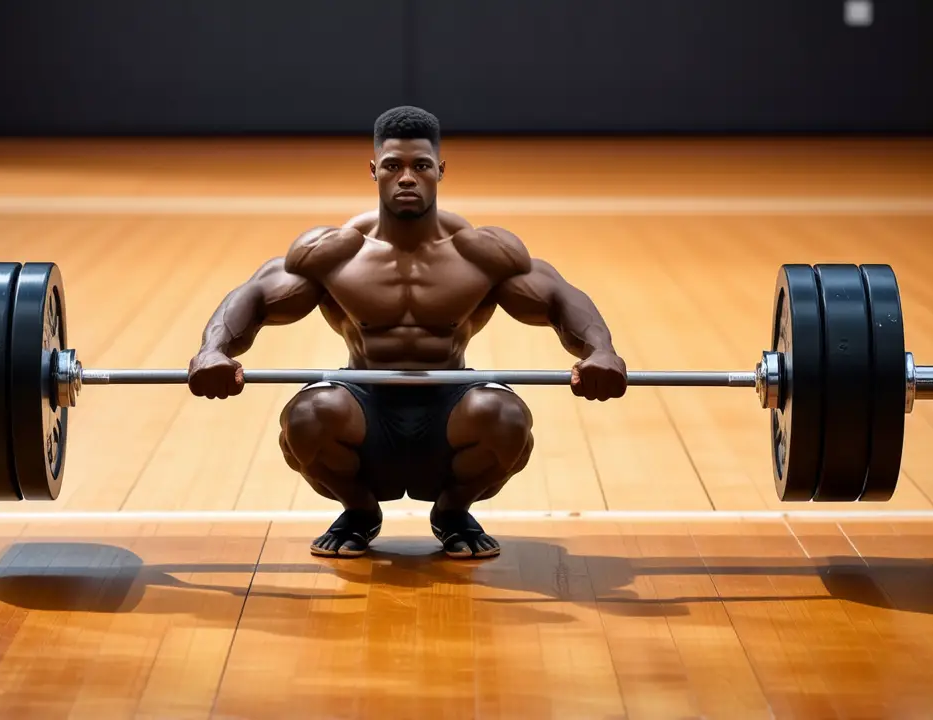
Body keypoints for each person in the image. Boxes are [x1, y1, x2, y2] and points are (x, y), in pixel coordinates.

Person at [188, 106, 627, 559]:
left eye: (420, 166)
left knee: (505, 418)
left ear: (440, 170)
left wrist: (600, 351)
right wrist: (213, 350)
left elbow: (555, 297)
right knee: (308, 417)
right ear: (374, 170)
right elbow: (258, 295)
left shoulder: (481, 252)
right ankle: (359, 510)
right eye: (393, 166)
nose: (406, 178)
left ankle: (453, 511)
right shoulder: (334, 252)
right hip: (364, 403)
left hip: (448, 404)